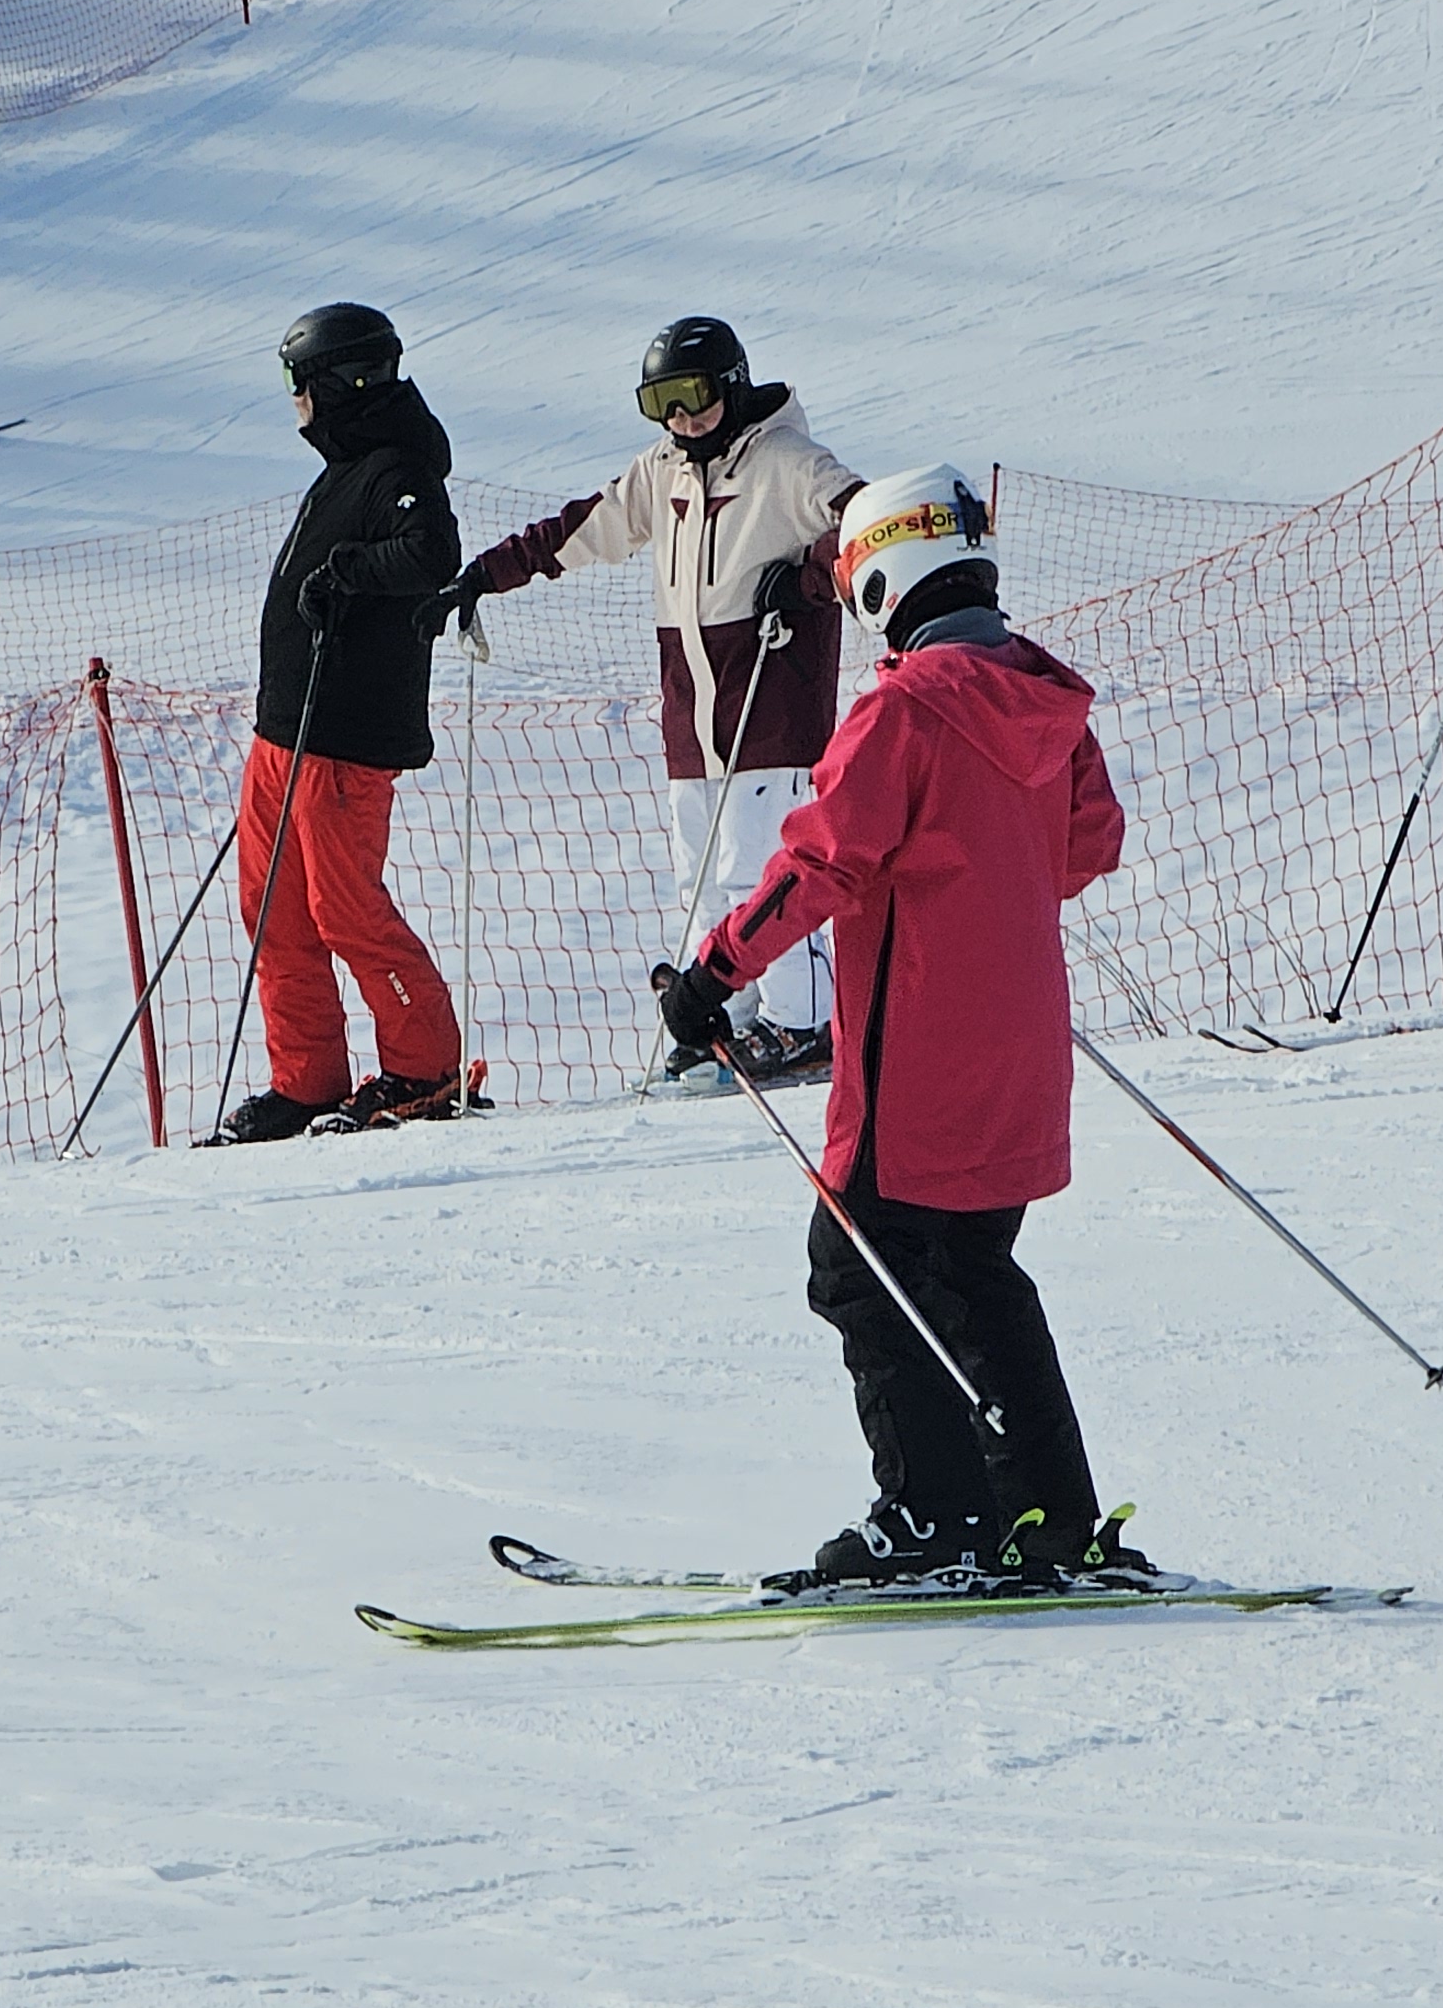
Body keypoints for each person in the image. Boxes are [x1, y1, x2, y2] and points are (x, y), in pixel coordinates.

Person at [651, 465, 1130, 1587]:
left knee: (859, 1266)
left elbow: (821, 858)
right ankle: (1048, 1516)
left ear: (877, 578)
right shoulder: (1047, 702)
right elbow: (1084, 851)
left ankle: (935, 1516)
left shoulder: (903, 710)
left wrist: (713, 973)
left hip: (915, 1053)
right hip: (1018, 1051)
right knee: (969, 1272)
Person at [417, 314, 860, 1081]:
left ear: (731, 383)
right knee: (704, 879)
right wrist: (482, 576)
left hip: (772, 710)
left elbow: (869, 529)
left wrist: (809, 577)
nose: (681, 418)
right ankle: (736, 1006)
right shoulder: (666, 471)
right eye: (659, 402)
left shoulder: (789, 462)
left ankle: (805, 1023)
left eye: (691, 396)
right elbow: (582, 530)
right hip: (693, 719)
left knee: (767, 874)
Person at [207, 302, 467, 1141]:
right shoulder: (349, 463)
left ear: (336, 384)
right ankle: (307, 1080)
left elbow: (431, 553)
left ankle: (424, 1070)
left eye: (299, 384)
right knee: (272, 910)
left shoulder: (398, 465)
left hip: (344, 741)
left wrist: (348, 570)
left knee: (343, 908)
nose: (294, 401)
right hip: (285, 735)